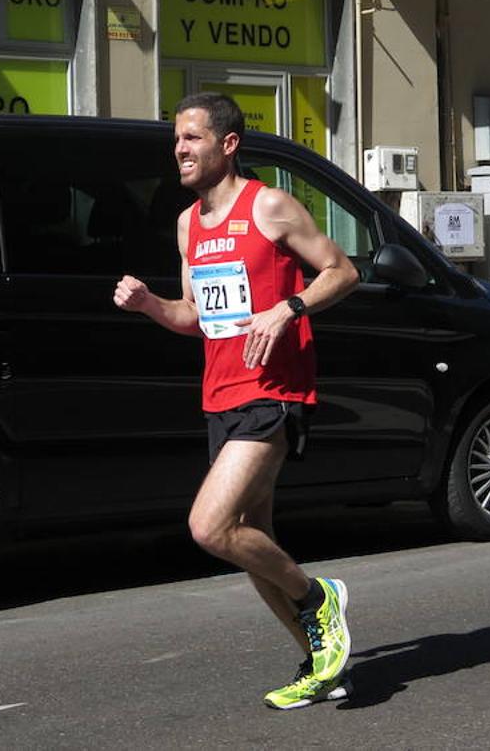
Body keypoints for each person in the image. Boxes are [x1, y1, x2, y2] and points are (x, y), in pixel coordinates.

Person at [113, 93, 360, 710]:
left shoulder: (269, 206)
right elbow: (194, 316)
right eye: (177, 139)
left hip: (273, 390)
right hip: (219, 393)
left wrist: (290, 306)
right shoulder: (187, 224)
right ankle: (318, 662)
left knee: (211, 527)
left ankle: (318, 598)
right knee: (253, 538)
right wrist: (149, 305)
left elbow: (341, 270)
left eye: (192, 138)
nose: (180, 150)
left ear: (227, 144)